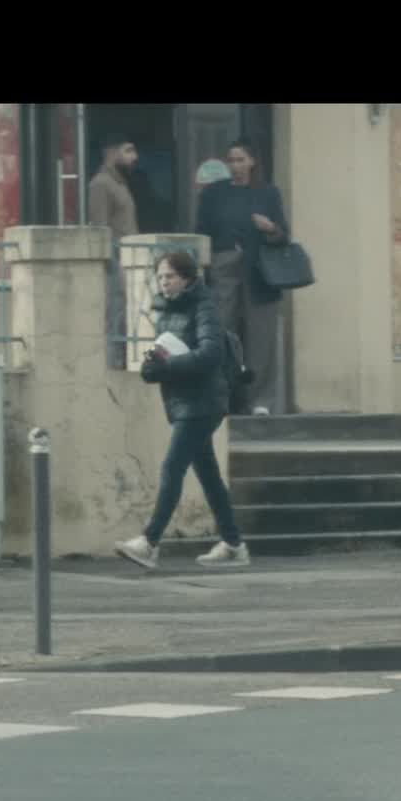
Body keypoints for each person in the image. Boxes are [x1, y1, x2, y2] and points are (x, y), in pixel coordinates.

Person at [114, 250, 250, 570]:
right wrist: (152, 368)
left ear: (187, 278)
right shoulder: (166, 310)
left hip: (203, 402)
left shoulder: (204, 307)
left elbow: (211, 354)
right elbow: (164, 358)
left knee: (172, 467)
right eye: (160, 276)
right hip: (184, 402)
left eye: (171, 276)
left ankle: (149, 542)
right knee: (209, 475)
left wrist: (168, 366)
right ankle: (233, 544)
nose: (164, 282)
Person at [195, 138, 292, 415]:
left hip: (260, 270)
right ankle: (222, 396)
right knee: (222, 332)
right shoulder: (214, 194)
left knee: (261, 336)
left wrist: (270, 228)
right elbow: (201, 232)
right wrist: (205, 269)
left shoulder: (268, 193)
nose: (235, 165)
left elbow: (283, 235)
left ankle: (260, 400)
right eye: (231, 160)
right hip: (223, 267)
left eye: (240, 160)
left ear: (252, 162)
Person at [88, 133, 140, 369]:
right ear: (112, 153)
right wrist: (112, 263)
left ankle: (122, 364)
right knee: (115, 317)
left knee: (127, 317)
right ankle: (111, 368)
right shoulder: (101, 184)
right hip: (115, 262)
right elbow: (100, 228)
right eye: (128, 151)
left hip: (129, 262)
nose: (134, 157)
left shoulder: (120, 183)